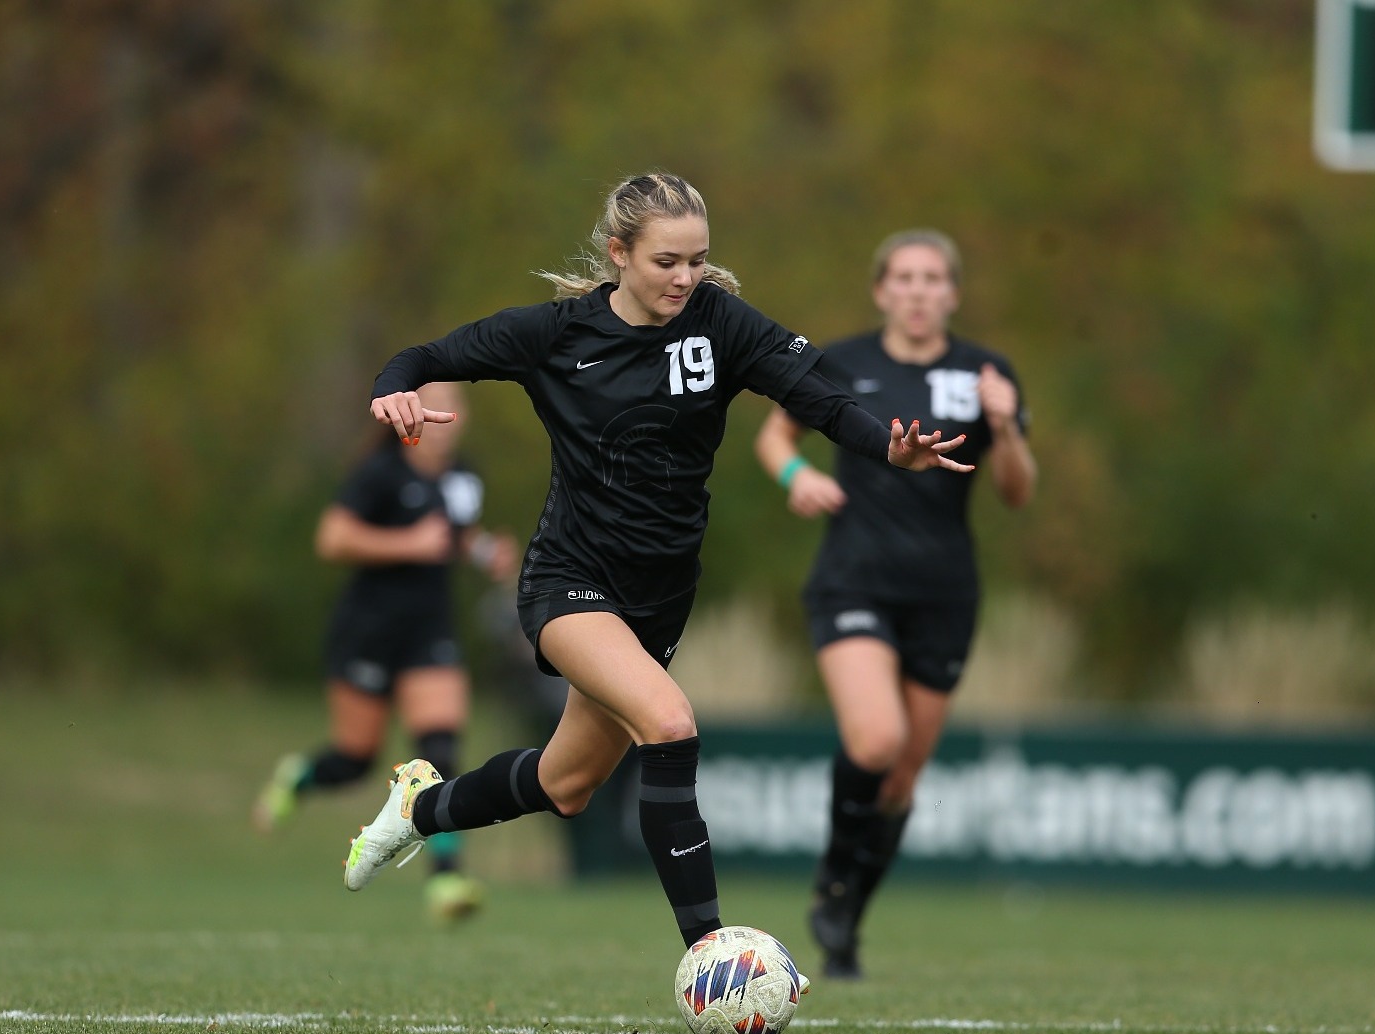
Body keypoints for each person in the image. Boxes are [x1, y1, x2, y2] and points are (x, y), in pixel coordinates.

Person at [341, 171, 973, 956]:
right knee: (670, 724)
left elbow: (819, 396)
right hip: (569, 579)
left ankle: (418, 809)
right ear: (619, 254)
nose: (686, 278)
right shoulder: (558, 333)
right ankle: (712, 956)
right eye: (667, 261)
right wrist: (392, 390)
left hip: (660, 596)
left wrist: (889, 445)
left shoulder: (720, 322)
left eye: (698, 261)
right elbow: (426, 354)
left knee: (567, 785)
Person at [754, 229, 1036, 978]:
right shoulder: (842, 362)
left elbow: (1016, 491)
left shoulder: (986, 373)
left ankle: (845, 914)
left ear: (952, 292)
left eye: (932, 278)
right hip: (853, 579)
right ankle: (830, 881)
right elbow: (774, 435)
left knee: (903, 775)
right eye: (904, 278)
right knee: (875, 741)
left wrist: (1004, 424)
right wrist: (795, 477)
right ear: (881, 290)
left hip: (944, 591)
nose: (917, 291)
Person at [254, 383, 516, 921]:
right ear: (410, 415)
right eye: (437, 408)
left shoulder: (465, 477)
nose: (450, 419)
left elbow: (456, 536)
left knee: (439, 750)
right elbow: (332, 539)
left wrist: (488, 553)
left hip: (430, 632)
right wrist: (408, 544)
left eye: (457, 408)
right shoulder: (380, 472)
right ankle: (298, 776)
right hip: (368, 632)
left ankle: (447, 881)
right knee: (355, 758)